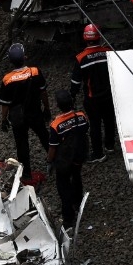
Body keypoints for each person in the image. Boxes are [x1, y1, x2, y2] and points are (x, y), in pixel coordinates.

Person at [0, 43, 51, 184]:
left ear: (10, 61)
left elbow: (5, 104)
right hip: (35, 112)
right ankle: (55, 160)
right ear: (25, 57)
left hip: (17, 117)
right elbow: (43, 92)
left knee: (22, 145)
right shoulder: (35, 71)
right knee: (44, 136)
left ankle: (26, 174)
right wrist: (47, 108)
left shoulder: (7, 79)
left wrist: (3, 120)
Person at [70, 23, 116, 161]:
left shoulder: (80, 58)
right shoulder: (108, 52)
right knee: (109, 120)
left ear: (85, 38)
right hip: (109, 95)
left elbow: (76, 82)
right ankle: (110, 145)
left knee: (95, 125)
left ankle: (98, 154)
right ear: (99, 37)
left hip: (92, 98)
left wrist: (72, 95)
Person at [47, 90, 89, 231]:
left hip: (64, 161)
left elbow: (53, 148)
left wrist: (49, 162)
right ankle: (78, 202)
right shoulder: (81, 116)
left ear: (58, 105)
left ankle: (68, 219)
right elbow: (85, 130)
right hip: (79, 156)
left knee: (63, 187)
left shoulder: (56, 125)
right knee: (76, 178)